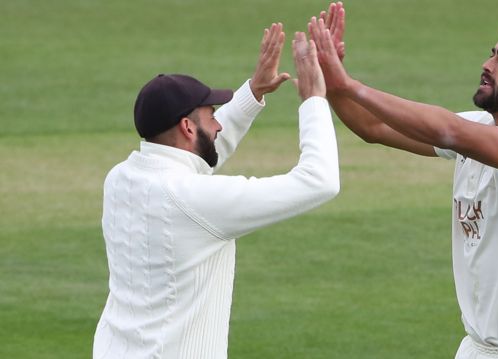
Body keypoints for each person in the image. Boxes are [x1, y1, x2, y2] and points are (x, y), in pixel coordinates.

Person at [309, 3, 498, 358]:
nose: (487, 66)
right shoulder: (480, 128)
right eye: (492, 55)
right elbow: (373, 127)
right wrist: (333, 84)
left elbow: (449, 131)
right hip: (475, 348)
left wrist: (352, 85)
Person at [93, 24, 339, 359]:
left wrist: (252, 94)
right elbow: (319, 181)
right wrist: (313, 100)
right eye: (211, 116)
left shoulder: (120, 178)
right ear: (187, 126)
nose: (219, 123)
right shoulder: (194, 199)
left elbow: (194, 157)